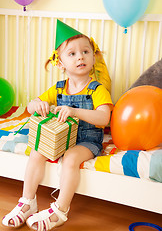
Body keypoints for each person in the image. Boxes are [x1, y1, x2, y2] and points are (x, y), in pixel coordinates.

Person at [2, 20, 113, 231]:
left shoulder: (97, 89)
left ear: (92, 56)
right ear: (60, 63)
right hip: (60, 138)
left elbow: (103, 119)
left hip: (86, 141)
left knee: (70, 158)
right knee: (37, 151)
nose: (80, 56)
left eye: (85, 51)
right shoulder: (59, 88)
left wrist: (75, 111)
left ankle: (60, 210)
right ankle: (27, 202)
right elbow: (31, 105)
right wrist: (40, 104)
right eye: (72, 53)